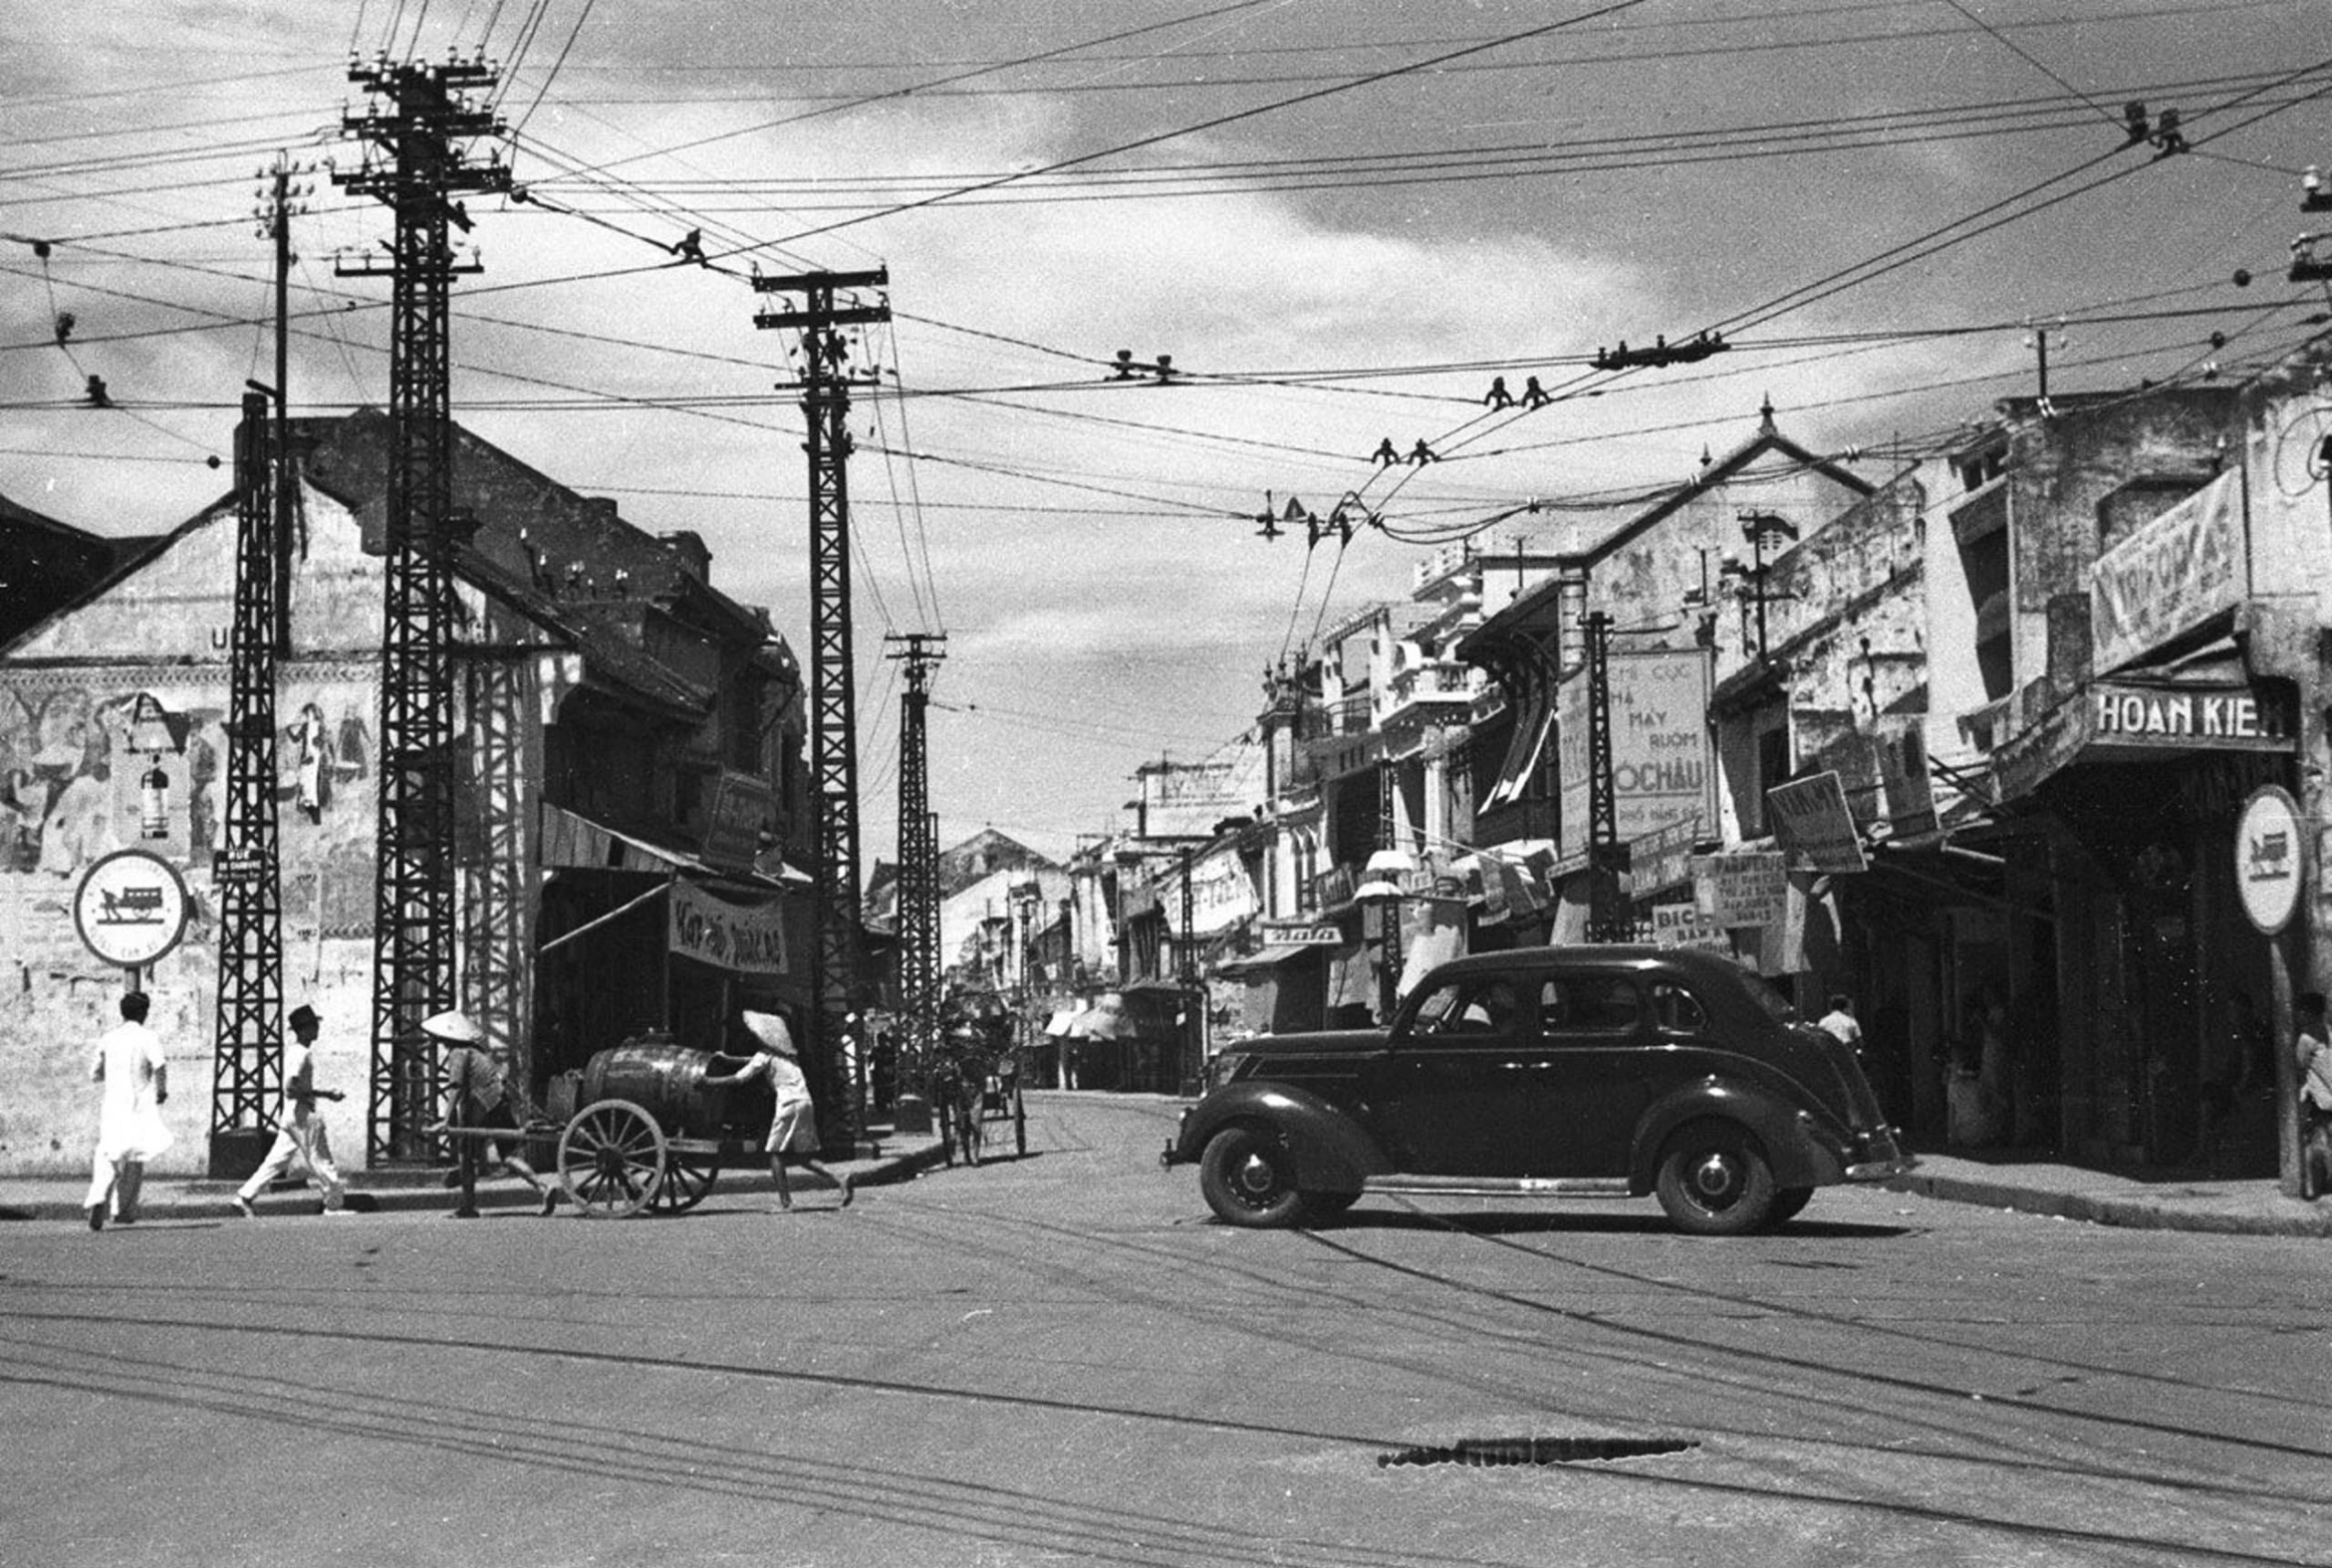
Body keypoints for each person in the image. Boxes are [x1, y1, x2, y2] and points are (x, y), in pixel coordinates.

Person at [704, 1009, 854, 1211]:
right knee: (803, 1156)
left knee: (775, 1153)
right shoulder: (788, 1056)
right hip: (805, 1101)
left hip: (788, 1104)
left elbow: (739, 1078)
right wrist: (728, 1058)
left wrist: (709, 1081)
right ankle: (839, 1178)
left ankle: (786, 1203)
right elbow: (753, 1060)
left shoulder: (764, 1056)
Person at [423, 1009, 561, 1218]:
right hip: (500, 1101)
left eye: (440, 1038)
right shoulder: (478, 1052)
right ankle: (542, 1187)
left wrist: (445, 1120)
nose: (439, 1042)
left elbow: (456, 1087)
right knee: (507, 1154)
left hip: (481, 1103)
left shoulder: (458, 1053)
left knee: (467, 1155)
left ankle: (468, 1206)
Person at [232, 1004, 351, 1218]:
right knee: (321, 1159)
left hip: (290, 1116)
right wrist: (324, 1094)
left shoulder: (295, 1052)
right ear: (303, 1029)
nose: (317, 1029)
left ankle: (244, 1196)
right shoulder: (301, 1053)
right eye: (313, 1025)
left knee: (276, 1160)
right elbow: (290, 1086)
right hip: (302, 1115)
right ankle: (333, 1204)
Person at [86, 990, 171, 1230]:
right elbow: (159, 1065)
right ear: (143, 1012)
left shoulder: (108, 1038)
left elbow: (95, 1073)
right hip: (139, 1105)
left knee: (108, 1152)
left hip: (112, 1104)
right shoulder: (148, 1036)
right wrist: (161, 1091)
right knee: (135, 1156)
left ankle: (98, 1196)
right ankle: (123, 1209)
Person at [2295, 991, 2332, 1197]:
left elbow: (2301, 1067)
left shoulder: (2306, 1039)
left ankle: (2311, 1187)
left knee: (2311, 1142)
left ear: (2306, 1013)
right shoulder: (2329, 1033)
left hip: (2318, 1097)